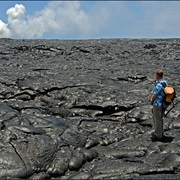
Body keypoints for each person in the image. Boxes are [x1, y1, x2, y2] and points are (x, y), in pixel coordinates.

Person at [150, 69, 168, 141]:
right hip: (163, 103)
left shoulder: (159, 85)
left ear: (157, 75)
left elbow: (155, 95)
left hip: (157, 104)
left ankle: (158, 135)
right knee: (160, 118)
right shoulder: (164, 82)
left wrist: (151, 100)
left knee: (157, 119)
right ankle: (161, 132)